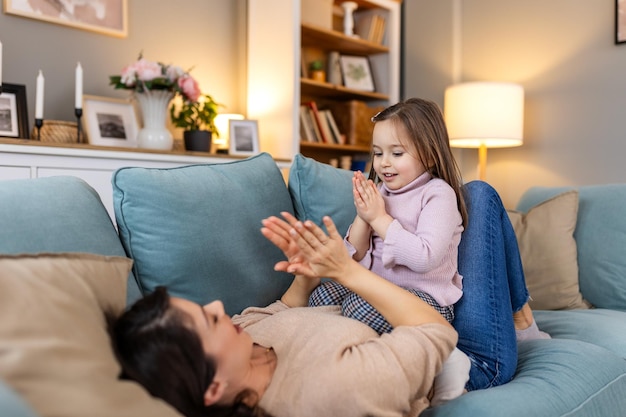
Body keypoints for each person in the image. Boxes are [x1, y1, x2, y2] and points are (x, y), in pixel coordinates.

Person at [111, 213, 458, 417]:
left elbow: (283, 310)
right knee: (479, 196)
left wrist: (306, 274)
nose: (218, 307)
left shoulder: (243, 340)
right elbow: (434, 329)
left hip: (357, 304)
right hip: (452, 345)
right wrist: (347, 272)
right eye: (210, 320)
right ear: (214, 387)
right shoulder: (337, 390)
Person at [308, 98, 471, 405]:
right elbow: (354, 257)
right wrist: (362, 215)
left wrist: (380, 219)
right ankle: (349, 358)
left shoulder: (438, 194)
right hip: (377, 289)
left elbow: (424, 257)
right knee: (320, 295)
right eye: (378, 153)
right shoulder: (381, 191)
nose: (384, 163)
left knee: (358, 307)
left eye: (397, 153)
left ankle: (442, 358)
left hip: (424, 303)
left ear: (430, 153)